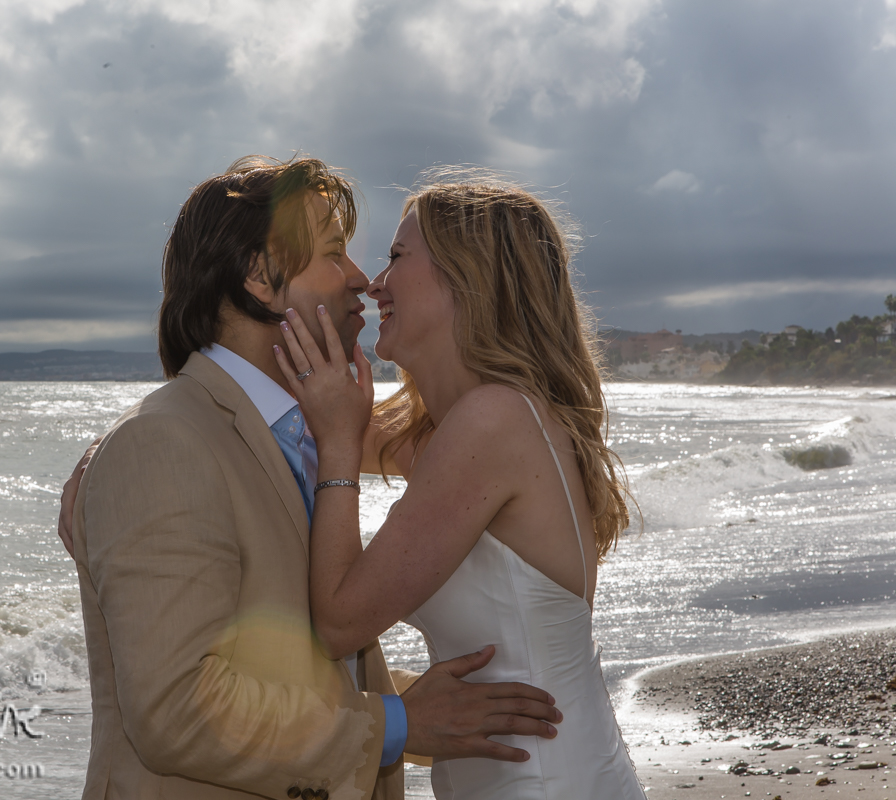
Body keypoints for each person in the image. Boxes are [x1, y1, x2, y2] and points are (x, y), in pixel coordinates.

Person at [60, 156, 563, 800]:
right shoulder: (162, 444)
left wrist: (418, 707)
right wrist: (401, 721)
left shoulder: (309, 432)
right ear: (258, 276)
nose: (359, 280)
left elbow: (302, 665)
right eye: (334, 254)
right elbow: (178, 710)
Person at [272, 174, 645, 799]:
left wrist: (337, 445)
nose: (375, 282)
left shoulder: (493, 421)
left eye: (396, 257)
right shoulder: (455, 425)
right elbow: (281, 424)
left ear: (467, 278)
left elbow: (338, 621)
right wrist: (119, 453)